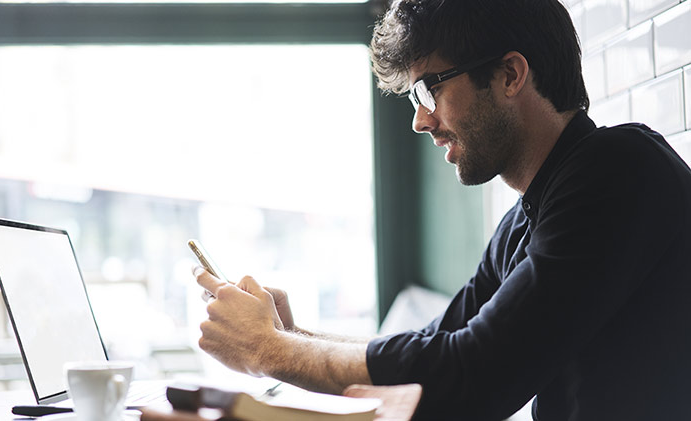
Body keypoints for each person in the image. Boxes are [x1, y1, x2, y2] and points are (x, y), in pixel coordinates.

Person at [193, 0, 691, 419]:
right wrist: (290, 335)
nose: (419, 120)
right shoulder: (524, 222)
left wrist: (268, 350)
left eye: (429, 89)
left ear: (510, 75)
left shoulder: (620, 170)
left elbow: (473, 375)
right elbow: (437, 345)